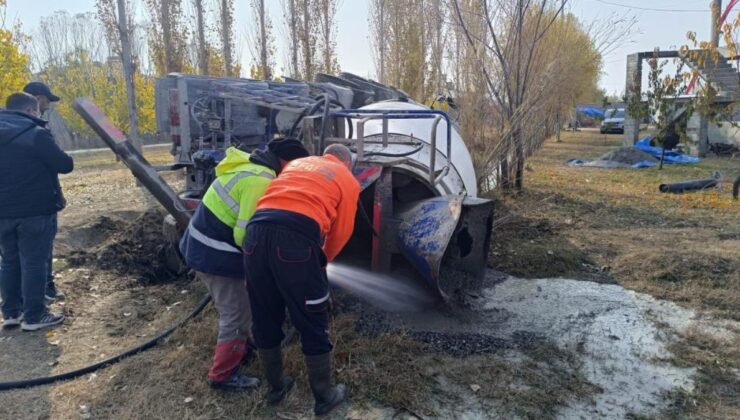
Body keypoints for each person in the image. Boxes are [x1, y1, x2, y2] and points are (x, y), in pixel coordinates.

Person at [179, 138, 309, 391]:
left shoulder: (253, 165)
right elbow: (245, 236)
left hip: (205, 244)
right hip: (214, 254)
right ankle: (223, 376)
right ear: (286, 162)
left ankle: (243, 348)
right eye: (296, 167)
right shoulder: (260, 180)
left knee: (245, 304)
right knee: (236, 313)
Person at [243, 144, 360, 416]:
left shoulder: (298, 164)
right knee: (313, 317)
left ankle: (276, 388)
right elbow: (341, 233)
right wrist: (321, 265)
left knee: (264, 313)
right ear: (348, 163)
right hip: (295, 240)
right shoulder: (346, 179)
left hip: (255, 235)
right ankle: (325, 396)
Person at [0, 92, 73, 331]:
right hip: (34, 211)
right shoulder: (35, 134)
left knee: (9, 261)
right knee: (34, 262)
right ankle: (34, 315)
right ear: (31, 110)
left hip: (3, 211)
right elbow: (65, 165)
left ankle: (11, 312)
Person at [23, 81, 64, 302]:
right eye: (47, 101)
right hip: (38, 203)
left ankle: (14, 305)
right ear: (37, 99)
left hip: (7, 205)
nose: (48, 105)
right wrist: (56, 192)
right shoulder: (38, 131)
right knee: (40, 250)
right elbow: (59, 164)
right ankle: (44, 291)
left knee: (11, 256)